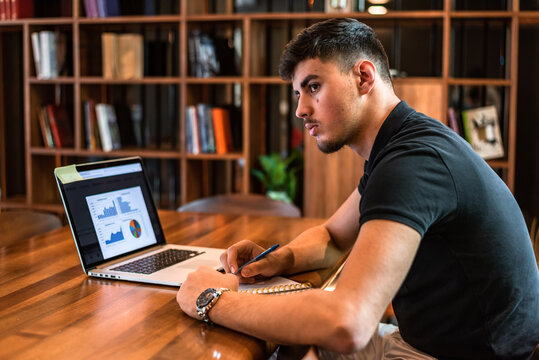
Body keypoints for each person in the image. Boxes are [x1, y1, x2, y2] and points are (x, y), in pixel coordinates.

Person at [177, 18, 539, 359]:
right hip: (429, 342)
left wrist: (211, 299)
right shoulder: (401, 145)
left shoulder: (412, 163)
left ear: (363, 77)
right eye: (298, 93)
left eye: (313, 87)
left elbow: (349, 322)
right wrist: (278, 258)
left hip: (447, 355)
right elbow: (333, 237)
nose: (301, 109)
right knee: (287, 344)